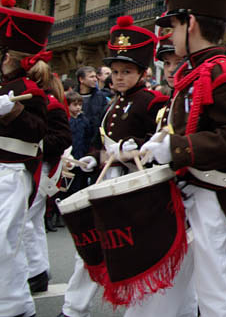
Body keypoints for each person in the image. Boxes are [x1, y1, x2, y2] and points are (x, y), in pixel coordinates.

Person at [140, 0, 226, 317]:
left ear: (189, 24)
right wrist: (162, 142)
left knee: (216, 286)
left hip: (213, 195)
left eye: (172, 27)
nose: (169, 35)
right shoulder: (194, 73)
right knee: (170, 282)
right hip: (189, 190)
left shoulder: (223, 74)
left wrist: (176, 147)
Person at [61, 17, 171, 317]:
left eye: (127, 72)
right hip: (109, 179)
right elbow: (103, 142)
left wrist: (137, 146)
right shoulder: (113, 104)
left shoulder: (152, 102)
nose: (119, 78)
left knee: (135, 249)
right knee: (94, 245)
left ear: (142, 73)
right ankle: (73, 307)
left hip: (135, 186)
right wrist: (93, 158)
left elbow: (161, 142)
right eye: (116, 72)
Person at [0, 0, 52, 317]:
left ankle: (16, 306)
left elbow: (38, 131)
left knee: (5, 241)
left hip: (14, 172)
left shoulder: (29, 89)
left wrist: (13, 111)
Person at [24, 56, 72, 294]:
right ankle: (38, 269)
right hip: (32, 167)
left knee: (24, 220)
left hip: (43, 169)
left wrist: (33, 142)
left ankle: (35, 271)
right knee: (32, 222)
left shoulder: (50, 105)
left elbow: (62, 139)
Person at [76, 65, 107, 146]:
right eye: (91, 77)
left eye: (95, 77)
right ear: (81, 79)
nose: (95, 79)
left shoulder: (100, 97)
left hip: (95, 140)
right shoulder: (72, 97)